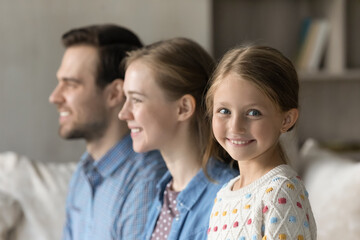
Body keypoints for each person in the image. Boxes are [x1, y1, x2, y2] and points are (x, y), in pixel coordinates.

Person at [49, 24, 166, 240]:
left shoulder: (147, 181)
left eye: (71, 84)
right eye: (60, 82)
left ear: (114, 93)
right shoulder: (83, 172)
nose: (55, 97)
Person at [118, 37, 238, 240]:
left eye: (136, 100)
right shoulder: (165, 192)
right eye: (126, 99)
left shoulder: (227, 200)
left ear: (183, 108)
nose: (123, 113)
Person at [205, 45, 317, 240]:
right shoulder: (225, 193)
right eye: (224, 111)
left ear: (286, 119)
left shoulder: (280, 192)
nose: (236, 126)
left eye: (253, 113)